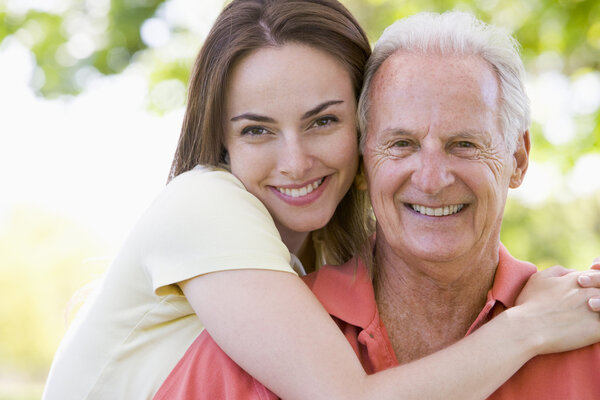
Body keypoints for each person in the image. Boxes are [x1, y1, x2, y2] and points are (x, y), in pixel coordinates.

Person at [42, 2, 600, 399]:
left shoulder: (293, 272)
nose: (295, 161)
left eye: (323, 121)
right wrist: (529, 329)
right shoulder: (203, 209)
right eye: (258, 130)